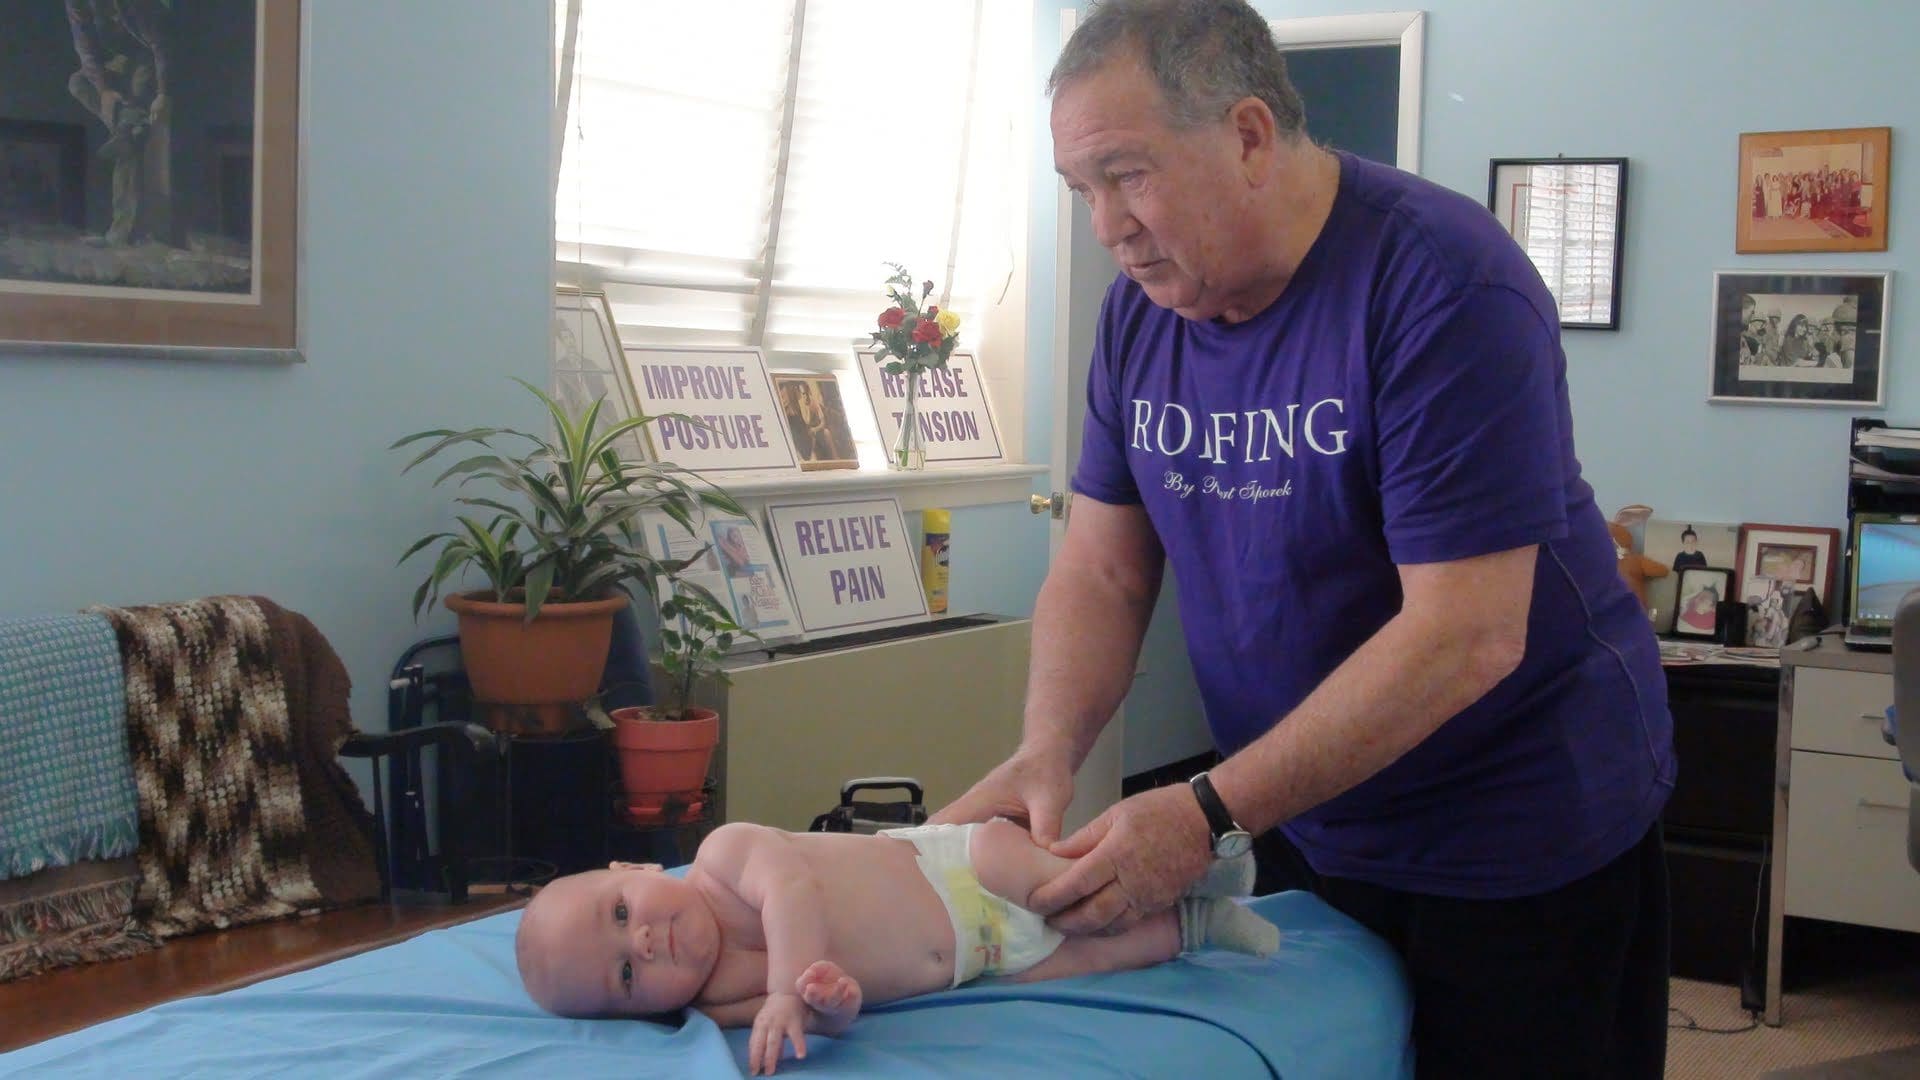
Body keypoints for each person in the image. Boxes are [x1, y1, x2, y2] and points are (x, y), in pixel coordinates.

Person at [932, 2, 1674, 1076]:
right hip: (1306, 810)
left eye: (1128, 175)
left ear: (1246, 136)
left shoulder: (1443, 285)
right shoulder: (1141, 316)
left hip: (1521, 826)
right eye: (1081, 190)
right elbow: (1101, 565)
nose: (1107, 227)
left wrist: (1202, 813)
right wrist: (1049, 752)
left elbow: (1464, 636)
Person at [514, 821, 1275, 1075]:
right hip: (971, 964)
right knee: (1095, 955)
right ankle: (1200, 928)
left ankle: (1199, 866)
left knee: (1068, 890)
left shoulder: (723, 855)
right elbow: (822, 1019)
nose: (642, 942)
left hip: (958, 868)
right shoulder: (714, 1003)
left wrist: (785, 989)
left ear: (634, 871)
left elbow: (793, 895)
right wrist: (827, 1005)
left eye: (621, 912)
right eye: (623, 974)